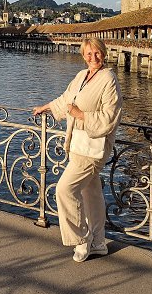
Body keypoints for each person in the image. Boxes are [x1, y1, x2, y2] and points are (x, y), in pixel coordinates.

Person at [33, 38, 122, 262]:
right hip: (78, 144)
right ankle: (99, 242)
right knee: (91, 194)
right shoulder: (82, 76)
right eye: (89, 54)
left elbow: (110, 116)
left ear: (104, 53)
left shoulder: (108, 79)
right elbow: (66, 99)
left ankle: (82, 239)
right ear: (83, 56)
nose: (93, 57)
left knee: (64, 190)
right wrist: (46, 107)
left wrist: (80, 115)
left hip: (93, 148)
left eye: (97, 53)